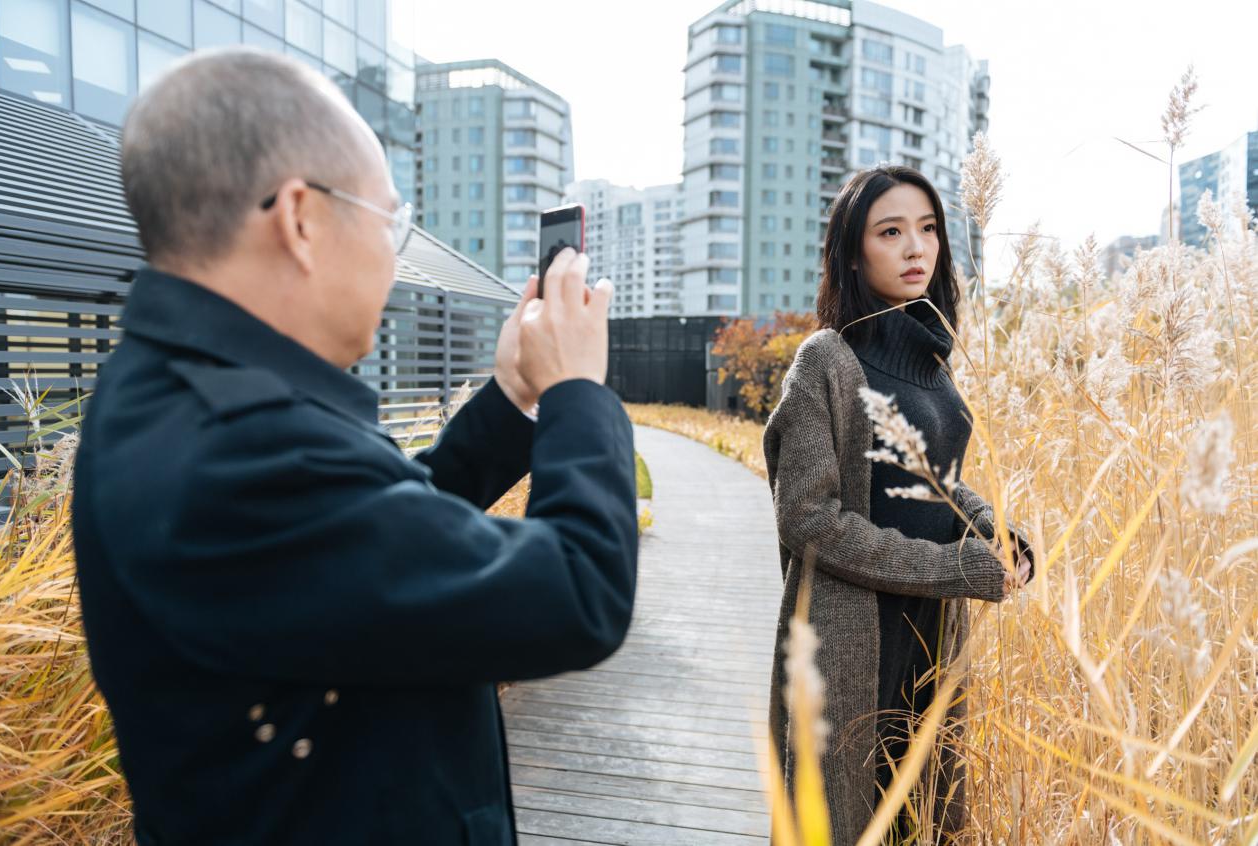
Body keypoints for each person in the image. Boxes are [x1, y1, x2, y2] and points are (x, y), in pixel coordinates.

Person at [71, 47, 638, 845]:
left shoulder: (192, 390)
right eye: (389, 221)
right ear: (301, 220)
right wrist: (579, 391)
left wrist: (514, 398)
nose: (392, 252)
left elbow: (379, 545)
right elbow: (577, 594)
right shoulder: (237, 445)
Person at [763, 165, 1033, 843]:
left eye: (928, 229)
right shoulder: (824, 361)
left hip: (928, 634)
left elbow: (937, 477)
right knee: (841, 818)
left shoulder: (931, 364)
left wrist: (990, 527)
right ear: (853, 254)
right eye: (891, 232)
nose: (916, 248)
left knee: (923, 815)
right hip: (852, 641)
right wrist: (955, 568)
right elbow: (808, 520)